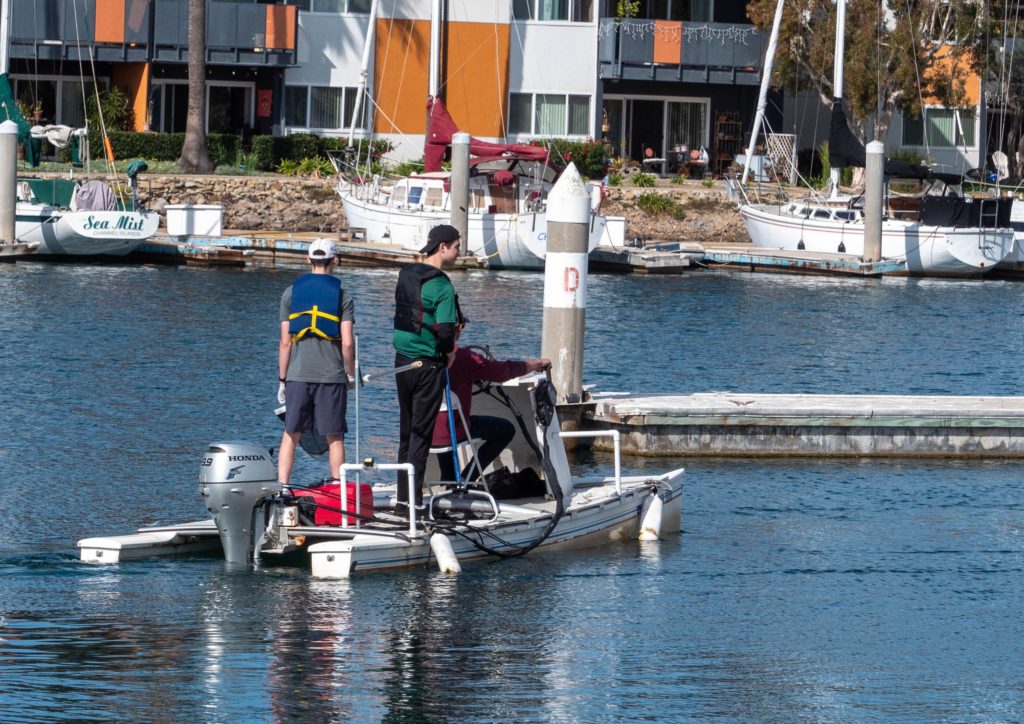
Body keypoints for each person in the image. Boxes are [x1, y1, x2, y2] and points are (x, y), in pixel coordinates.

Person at [392, 224, 462, 513]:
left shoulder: (406, 274)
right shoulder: (443, 285)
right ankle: (413, 504)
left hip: (401, 361)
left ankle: (401, 499)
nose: (459, 252)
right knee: (421, 433)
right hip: (427, 364)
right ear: (443, 247)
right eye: (457, 246)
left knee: (406, 432)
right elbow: (446, 333)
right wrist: (450, 354)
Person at [277, 238, 355, 493]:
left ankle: (283, 489)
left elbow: (285, 342)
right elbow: (347, 342)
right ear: (335, 260)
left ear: (308, 260)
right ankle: (336, 490)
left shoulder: (290, 293)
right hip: (332, 376)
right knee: (335, 437)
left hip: (297, 376)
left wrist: (282, 380)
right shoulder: (343, 295)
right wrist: (351, 373)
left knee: (291, 434)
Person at [432, 334, 549, 482]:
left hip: (425, 432)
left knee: (442, 425)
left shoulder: (417, 357)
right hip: (454, 430)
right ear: (455, 329)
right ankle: (466, 478)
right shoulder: (464, 357)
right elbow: (501, 372)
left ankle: (448, 480)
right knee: (505, 430)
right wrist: (535, 364)